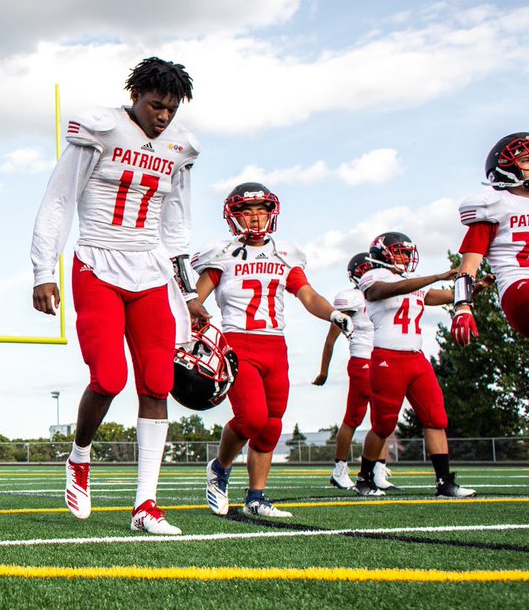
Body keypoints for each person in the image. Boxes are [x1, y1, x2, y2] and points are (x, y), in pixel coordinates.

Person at [30, 56, 205, 535]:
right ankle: (79, 456)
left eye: (170, 108)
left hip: (149, 270)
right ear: (135, 96)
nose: (163, 116)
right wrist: (43, 270)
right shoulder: (102, 129)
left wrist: (187, 291)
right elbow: (59, 200)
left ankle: (145, 505)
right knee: (107, 378)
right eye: (155, 105)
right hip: (99, 262)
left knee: (157, 384)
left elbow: (177, 225)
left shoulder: (179, 147)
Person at [191, 183, 353, 518]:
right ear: (233, 216)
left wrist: (333, 315)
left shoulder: (285, 254)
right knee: (251, 418)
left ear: (271, 213)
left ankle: (256, 497)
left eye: (261, 211)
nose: (255, 218)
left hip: (275, 344)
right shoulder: (221, 254)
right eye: (246, 212)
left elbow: (308, 296)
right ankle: (219, 469)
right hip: (238, 342)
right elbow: (195, 299)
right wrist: (188, 319)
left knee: (272, 424)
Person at [354, 232, 474, 497]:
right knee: (383, 425)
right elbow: (385, 291)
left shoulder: (413, 283)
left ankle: (445, 482)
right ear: (382, 253)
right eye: (400, 252)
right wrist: (435, 276)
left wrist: (476, 287)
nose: (405, 258)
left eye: (407, 253)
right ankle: (364, 478)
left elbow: (446, 296)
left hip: (416, 358)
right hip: (387, 358)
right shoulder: (372, 276)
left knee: (436, 418)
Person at [311, 253, 396, 493]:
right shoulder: (352, 298)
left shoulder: (383, 294)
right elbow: (330, 340)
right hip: (362, 360)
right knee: (354, 416)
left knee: (382, 417)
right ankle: (340, 469)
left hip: (383, 360)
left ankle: (378, 470)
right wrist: (323, 373)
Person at [452, 133, 529, 344]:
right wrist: (462, 306)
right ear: (506, 169)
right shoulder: (494, 205)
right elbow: (469, 265)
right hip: (519, 285)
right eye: (526, 160)